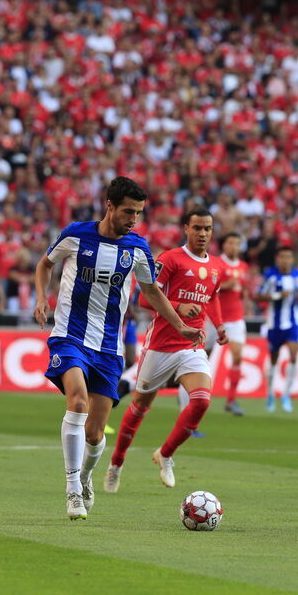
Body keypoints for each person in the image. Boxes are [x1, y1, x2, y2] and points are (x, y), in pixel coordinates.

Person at [33, 176, 204, 521]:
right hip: (70, 336)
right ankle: (72, 488)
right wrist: (41, 298)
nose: (133, 219)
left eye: (138, 213)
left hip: (109, 348)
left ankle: (85, 476)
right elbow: (45, 264)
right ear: (109, 206)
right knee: (77, 402)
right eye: (128, 211)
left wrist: (180, 325)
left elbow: (152, 292)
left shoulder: (137, 248)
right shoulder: (76, 234)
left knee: (95, 435)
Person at [104, 207, 227, 493]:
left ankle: (166, 454)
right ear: (186, 229)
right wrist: (178, 306)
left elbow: (212, 298)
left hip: (192, 344)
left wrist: (219, 325)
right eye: (197, 228)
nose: (202, 233)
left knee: (201, 401)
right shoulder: (170, 259)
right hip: (160, 345)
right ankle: (116, 463)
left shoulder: (216, 266)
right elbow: (145, 299)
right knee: (140, 407)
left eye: (207, 228)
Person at [256, 246, 298, 413]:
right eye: (282, 257)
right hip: (274, 324)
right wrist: (277, 295)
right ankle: (270, 394)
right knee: (273, 360)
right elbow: (258, 295)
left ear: (292, 259)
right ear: (277, 259)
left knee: (294, 355)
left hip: (293, 322)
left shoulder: (297, 275)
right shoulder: (270, 275)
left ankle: (286, 395)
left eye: (288, 257)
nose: (285, 260)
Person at [217, 232, 248, 416]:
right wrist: (226, 286)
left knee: (237, 357)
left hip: (236, 318)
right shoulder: (216, 263)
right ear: (224, 245)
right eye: (231, 243)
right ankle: (185, 391)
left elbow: (243, 291)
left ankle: (231, 400)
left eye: (237, 243)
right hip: (215, 318)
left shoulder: (243, 266)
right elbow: (208, 287)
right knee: (203, 357)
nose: (234, 246)